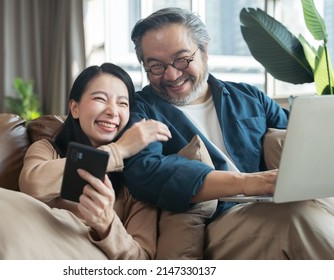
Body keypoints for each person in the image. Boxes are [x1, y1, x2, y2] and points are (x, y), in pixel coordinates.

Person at [122, 7, 334, 259]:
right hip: (215, 221)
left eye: (182, 59)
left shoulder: (248, 96)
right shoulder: (140, 110)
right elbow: (146, 172)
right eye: (155, 66)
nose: (172, 74)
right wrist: (247, 183)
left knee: (307, 211)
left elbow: (301, 141)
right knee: (299, 219)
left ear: (204, 51)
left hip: (272, 206)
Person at [19, 62, 171, 259]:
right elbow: (33, 185)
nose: (113, 111)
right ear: (74, 108)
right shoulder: (47, 150)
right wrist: (118, 150)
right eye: (100, 98)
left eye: (123, 103)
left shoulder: (137, 177)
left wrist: (106, 223)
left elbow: (141, 260)